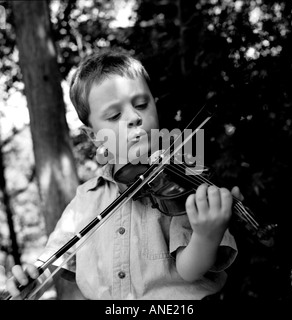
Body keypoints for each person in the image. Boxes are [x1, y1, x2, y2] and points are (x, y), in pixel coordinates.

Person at [6, 49, 241, 300]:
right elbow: (52, 260)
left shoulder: (180, 183)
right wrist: (31, 280)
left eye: (141, 104)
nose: (134, 117)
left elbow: (190, 270)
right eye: (115, 115)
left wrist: (206, 235)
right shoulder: (85, 199)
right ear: (94, 136)